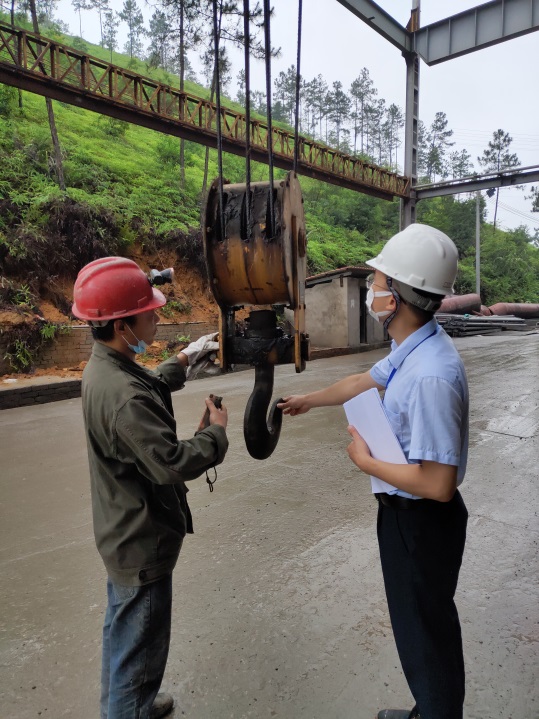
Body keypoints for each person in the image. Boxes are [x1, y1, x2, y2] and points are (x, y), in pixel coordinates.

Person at [278, 223, 469, 719]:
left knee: (426, 631)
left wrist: (366, 462)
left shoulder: (430, 375)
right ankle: (429, 708)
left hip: (421, 520)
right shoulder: (414, 348)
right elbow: (363, 381)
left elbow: (439, 485)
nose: (372, 290)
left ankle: (437, 712)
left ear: (399, 298)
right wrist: (308, 400)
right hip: (406, 516)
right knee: (420, 625)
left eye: (379, 282)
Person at [72, 257, 229, 719]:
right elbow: (171, 463)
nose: (158, 317)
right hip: (141, 541)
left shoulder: (107, 366)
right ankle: (129, 707)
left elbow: (144, 385)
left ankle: (127, 703)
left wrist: (183, 359)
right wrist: (215, 433)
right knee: (140, 647)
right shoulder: (123, 396)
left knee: (123, 635)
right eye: (150, 312)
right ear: (122, 325)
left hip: (122, 531)